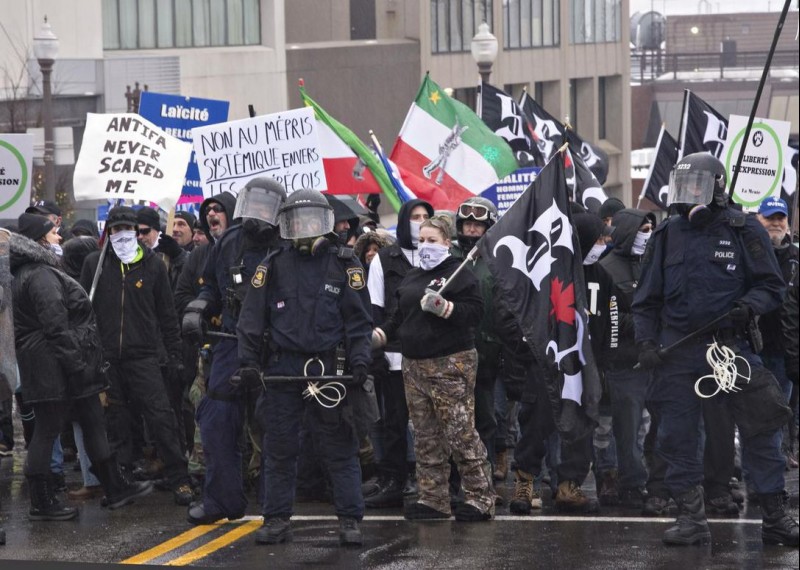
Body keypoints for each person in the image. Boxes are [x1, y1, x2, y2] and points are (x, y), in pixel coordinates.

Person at [632, 152, 798, 547]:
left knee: (762, 427)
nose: (688, 196)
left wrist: (749, 307)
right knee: (676, 435)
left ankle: (775, 516)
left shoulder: (744, 231)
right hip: (678, 353)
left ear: (717, 190)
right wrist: (647, 343)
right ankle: (691, 517)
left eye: (697, 187)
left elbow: (771, 286)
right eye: (683, 187)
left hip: (732, 347)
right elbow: (645, 301)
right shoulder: (667, 235)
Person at [237, 188, 372, 546]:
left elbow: (358, 322)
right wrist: (248, 361)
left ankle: (349, 518)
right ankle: (277, 518)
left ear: (325, 222)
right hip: (283, 370)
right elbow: (251, 319)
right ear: (286, 223)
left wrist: (360, 362)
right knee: (279, 447)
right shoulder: (272, 265)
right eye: (298, 219)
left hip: (329, 369)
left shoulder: (344, 264)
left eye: (312, 219)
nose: (305, 226)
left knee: (340, 446)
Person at [11, 215, 152, 521]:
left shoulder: (38, 271)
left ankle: (116, 487)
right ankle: (42, 501)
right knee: (47, 430)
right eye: (53, 233)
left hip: (60, 364)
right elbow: (56, 326)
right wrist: (77, 366)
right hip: (56, 366)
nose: (59, 237)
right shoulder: (39, 274)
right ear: (40, 240)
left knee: (92, 421)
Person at [373, 215, 494, 522]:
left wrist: (447, 308)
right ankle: (433, 498)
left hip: (449, 363)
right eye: (422, 240)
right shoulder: (413, 276)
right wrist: (380, 335)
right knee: (426, 435)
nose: (426, 246)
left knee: (459, 432)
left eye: (432, 240)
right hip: (414, 366)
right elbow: (399, 316)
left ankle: (480, 497)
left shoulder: (459, 273)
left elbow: (476, 312)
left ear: (447, 243)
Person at [182, 179, 286, 525]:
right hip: (230, 339)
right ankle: (221, 500)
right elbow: (211, 284)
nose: (258, 212)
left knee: (274, 424)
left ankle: (275, 508)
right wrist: (198, 307)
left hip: (274, 344)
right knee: (215, 419)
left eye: (265, 206)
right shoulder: (228, 242)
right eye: (252, 204)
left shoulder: (285, 245)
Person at [80, 206, 193, 506]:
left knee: (161, 418)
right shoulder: (95, 264)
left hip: (144, 357)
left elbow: (167, 315)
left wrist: (174, 354)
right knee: (116, 420)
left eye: (128, 229)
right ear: (109, 233)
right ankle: (122, 478)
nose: (123, 235)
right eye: (116, 230)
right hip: (108, 359)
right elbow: (84, 314)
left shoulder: (153, 265)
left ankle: (179, 478)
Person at [363, 199, 433, 508]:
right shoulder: (385, 259)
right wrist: (376, 353)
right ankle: (393, 479)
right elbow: (375, 307)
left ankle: (429, 480)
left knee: (429, 423)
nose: (420, 222)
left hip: (430, 355)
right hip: (393, 356)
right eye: (415, 217)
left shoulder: (438, 257)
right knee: (393, 422)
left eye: (426, 217)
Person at [597, 208, 655, 509]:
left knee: (652, 428)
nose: (646, 235)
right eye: (641, 229)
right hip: (623, 362)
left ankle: (654, 481)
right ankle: (629, 482)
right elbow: (611, 319)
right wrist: (649, 321)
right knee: (624, 429)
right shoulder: (606, 268)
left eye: (649, 229)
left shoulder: (651, 265)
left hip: (654, 359)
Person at [754, 196, 798, 469]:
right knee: (756, 407)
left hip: (786, 348)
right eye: (770, 217)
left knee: (783, 406)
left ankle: (782, 453)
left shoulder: (795, 258)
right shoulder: (751, 251)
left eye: (780, 217)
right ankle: (761, 457)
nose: (775, 223)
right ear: (759, 219)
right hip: (753, 346)